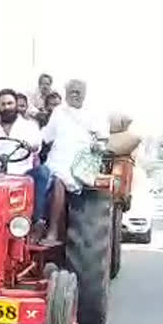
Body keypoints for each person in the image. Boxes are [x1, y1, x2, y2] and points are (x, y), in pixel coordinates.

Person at [40, 79, 108, 245]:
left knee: (59, 180)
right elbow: (46, 136)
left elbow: (103, 137)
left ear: (84, 94)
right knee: (41, 177)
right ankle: (37, 224)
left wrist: (98, 145)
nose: (75, 95)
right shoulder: (58, 112)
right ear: (66, 93)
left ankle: (53, 230)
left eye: (78, 92)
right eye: (72, 91)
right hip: (57, 158)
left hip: (81, 163)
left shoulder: (93, 114)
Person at [0, 89, 50, 232]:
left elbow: (36, 145)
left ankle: (34, 221)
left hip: (22, 173)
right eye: (3, 104)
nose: (7, 107)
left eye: (10, 103)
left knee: (42, 173)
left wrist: (29, 146)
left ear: (16, 105)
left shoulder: (29, 127)